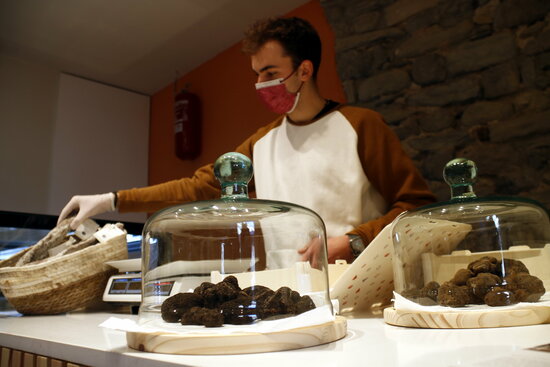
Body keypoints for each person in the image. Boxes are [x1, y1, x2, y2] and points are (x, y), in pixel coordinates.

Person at [58, 16, 436, 264]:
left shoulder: (361, 125)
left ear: (304, 70)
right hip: (288, 295)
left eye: (270, 72)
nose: (260, 85)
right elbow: (197, 188)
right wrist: (111, 200)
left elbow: (417, 205)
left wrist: (354, 240)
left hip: (358, 287)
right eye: (256, 74)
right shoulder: (261, 143)